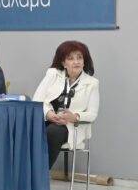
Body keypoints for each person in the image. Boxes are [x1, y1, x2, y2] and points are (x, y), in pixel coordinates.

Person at [32, 41, 100, 169]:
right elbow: (37, 101)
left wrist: (75, 117)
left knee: (53, 132)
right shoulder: (52, 74)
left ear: (84, 61)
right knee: (29, 130)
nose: (76, 62)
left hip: (70, 127)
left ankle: (40, 173)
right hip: (46, 120)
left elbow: (92, 114)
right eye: (70, 58)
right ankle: (24, 172)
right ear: (63, 63)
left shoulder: (92, 83)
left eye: (79, 58)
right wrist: (49, 114)